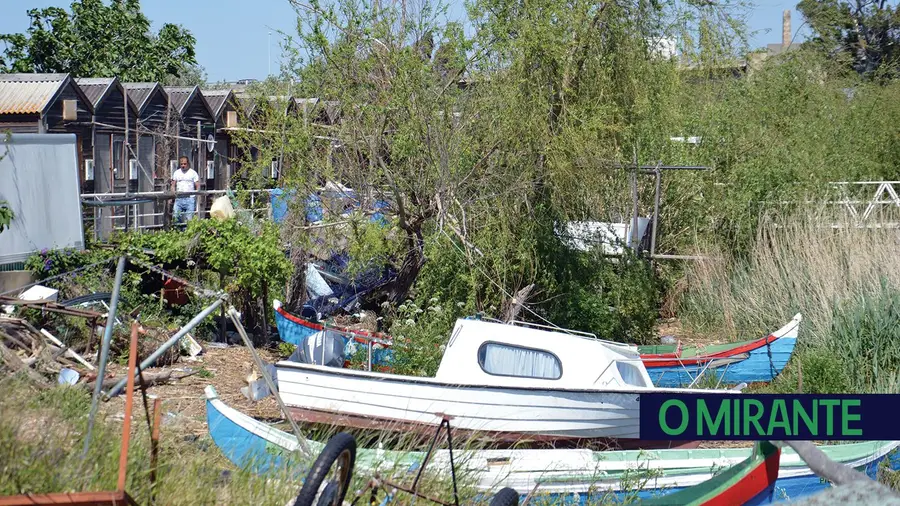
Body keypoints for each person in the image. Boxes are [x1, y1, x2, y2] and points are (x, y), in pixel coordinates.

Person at [171, 156, 200, 225]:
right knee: (176, 217)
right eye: (181, 164)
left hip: (190, 199)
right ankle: (179, 233)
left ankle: (188, 233)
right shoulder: (176, 173)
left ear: (188, 164)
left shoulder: (193, 173)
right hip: (179, 198)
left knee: (189, 219)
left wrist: (197, 195)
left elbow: (197, 185)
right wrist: (173, 193)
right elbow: (173, 185)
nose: (183, 165)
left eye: (184, 164)